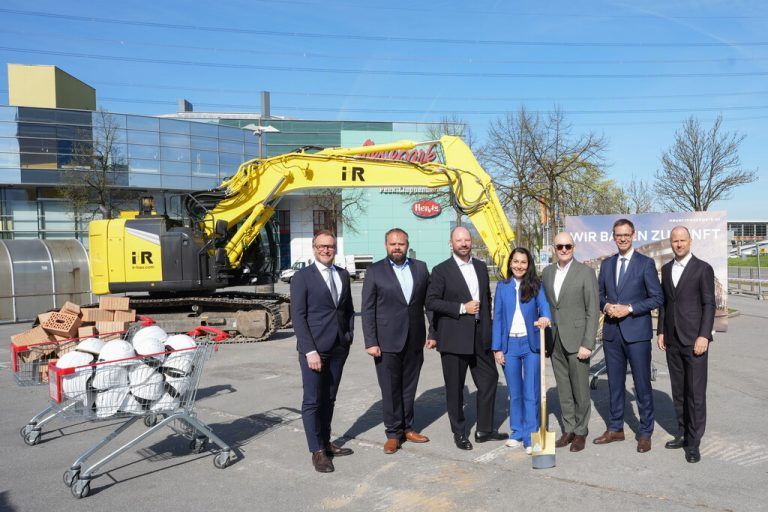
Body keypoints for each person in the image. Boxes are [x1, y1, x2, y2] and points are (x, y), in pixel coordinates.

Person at [426, 226, 507, 451]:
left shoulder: (480, 267)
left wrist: (490, 331)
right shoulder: (441, 270)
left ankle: (484, 429)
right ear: (451, 244)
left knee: (489, 379)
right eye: (459, 240)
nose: (463, 244)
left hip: (480, 336)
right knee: (455, 388)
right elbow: (431, 302)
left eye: (467, 240)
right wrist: (462, 308)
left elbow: (486, 299)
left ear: (471, 242)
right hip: (454, 338)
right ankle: (459, 432)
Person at [361, 228, 434, 454]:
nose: (397, 248)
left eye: (401, 244)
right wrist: (371, 341)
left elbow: (429, 303)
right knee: (390, 389)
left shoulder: (420, 268)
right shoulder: (374, 271)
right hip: (386, 341)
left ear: (407, 245)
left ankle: (408, 428)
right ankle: (393, 433)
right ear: (386, 245)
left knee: (409, 387)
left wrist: (433, 332)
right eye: (392, 244)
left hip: (414, 339)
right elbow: (367, 309)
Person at [596, 218, 663, 453]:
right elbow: (599, 295)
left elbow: (657, 298)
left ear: (633, 235)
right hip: (612, 334)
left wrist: (630, 308)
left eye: (626, 234)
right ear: (613, 237)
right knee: (615, 384)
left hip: (637, 335)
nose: (622, 238)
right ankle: (615, 428)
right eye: (618, 235)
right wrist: (606, 306)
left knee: (642, 384)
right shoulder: (606, 264)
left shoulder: (645, 263)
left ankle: (645, 432)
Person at [290, 230, 355, 473]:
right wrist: (309, 350)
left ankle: (326, 442)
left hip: (338, 347)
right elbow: (298, 317)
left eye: (330, 246)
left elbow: (347, 310)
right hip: (314, 349)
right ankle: (317, 450)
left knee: (329, 397)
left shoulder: (343, 274)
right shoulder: (302, 277)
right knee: (313, 400)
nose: (326, 250)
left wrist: (348, 336)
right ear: (314, 248)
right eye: (321, 246)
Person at [657, 226, 715, 463]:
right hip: (672, 340)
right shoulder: (666, 269)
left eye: (682, 240)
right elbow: (664, 304)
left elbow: (709, 304)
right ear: (671, 243)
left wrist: (704, 336)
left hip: (694, 341)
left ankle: (694, 441)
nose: (679, 244)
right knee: (679, 391)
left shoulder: (703, 268)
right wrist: (661, 331)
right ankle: (682, 432)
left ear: (690, 241)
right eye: (675, 241)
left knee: (695, 394)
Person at [541, 232, 599, 453]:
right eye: (559, 246)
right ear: (554, 249)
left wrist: (588, 343)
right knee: (563, 389)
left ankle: (581, 431)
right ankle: (569, 429)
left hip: (578, 341)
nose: (564, 250)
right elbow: (546, 305)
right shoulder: (547, 273)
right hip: (555, 339)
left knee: (580, 390)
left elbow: (592, 310)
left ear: (574, 248)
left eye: (568, 246)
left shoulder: (585, 272)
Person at [492, 247, 551, 455]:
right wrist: (497, 348)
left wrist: (545, 317)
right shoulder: (502, 287)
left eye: (523, 262)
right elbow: (498, 318)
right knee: (515, 392)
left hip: (531, 344)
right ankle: (516, 432)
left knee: (531, 392)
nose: (519, 266)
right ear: (510, 263)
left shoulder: (536, 285)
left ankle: (530, 436)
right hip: (509, 346)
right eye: (515, 261)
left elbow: (544, 306)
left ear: (529, 265)